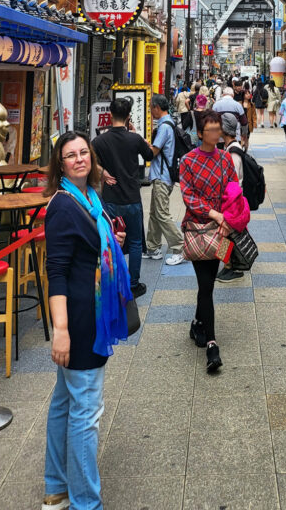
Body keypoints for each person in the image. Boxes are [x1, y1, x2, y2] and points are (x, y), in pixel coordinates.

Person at [43, 131, 129, 510]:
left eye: (83, 153)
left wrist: (112, 241)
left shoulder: (90, 198)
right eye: (70, 155)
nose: (79, 159)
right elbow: (56, 271)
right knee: (86, 412)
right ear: (59, 164)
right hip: (80, 318)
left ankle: (56, 487)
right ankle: (85, 504)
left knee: (65, 401)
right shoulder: (63, 205)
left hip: (90, 307)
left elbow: (90, 246)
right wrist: (60, 331)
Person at [180, 111, 239, 373]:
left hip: (224, 231)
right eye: (211, 130)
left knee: (208, 284)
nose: (216, 134)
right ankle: (212, 345)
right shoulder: (188, 160)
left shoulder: (226, 158)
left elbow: (234, 190)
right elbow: (188, 196)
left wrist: (229, 219)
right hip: (198, 229)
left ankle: (197, 323)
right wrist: (214, 213)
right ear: (201, 133)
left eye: (218, 130)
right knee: (205, 285)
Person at [91, 98, 151, 298]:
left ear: (110, 115)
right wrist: (136, 134)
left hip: (110, 199)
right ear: (128, 116)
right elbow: (150, 154)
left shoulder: (100, 141)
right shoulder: (134, 139)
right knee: (134, 242)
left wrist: (102, 171)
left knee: (111, 241)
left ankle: (114, 282)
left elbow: (90, 161)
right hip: (132, 198)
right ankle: (133, 284)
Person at [144, 94, 185, 266]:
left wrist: (142, 143)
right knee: (155, 212)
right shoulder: (168, 123)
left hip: (162, 177)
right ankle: (153, 247)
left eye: (151, 107)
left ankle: (179, 246)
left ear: (157, 108)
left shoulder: (164, 127)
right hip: (162, 176)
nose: (150, 111)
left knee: (161, 213)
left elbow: (153, 152)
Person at [216, 112, 245, 283]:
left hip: (233, 201)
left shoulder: (233, 152)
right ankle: (227, 265)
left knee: (227, 234)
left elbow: (233, 180)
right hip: (231, 199)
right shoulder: (230, 148)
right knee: (226, 234)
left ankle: (232, 267)